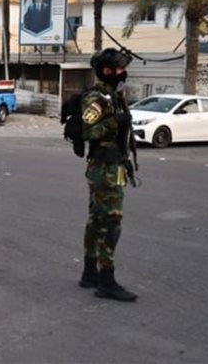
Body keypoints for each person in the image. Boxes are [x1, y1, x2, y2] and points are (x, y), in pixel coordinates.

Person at [79, 48, 138, 302]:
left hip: (110, 164)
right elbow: (88, 131)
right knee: (110, 222)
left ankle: (89, 272)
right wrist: (117, 122)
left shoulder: (113, 95)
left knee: (96, 219)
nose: (122, 72)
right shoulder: (98, 97)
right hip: (105, 168)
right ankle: (106, 279)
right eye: (117, 68)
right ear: (105, 71)